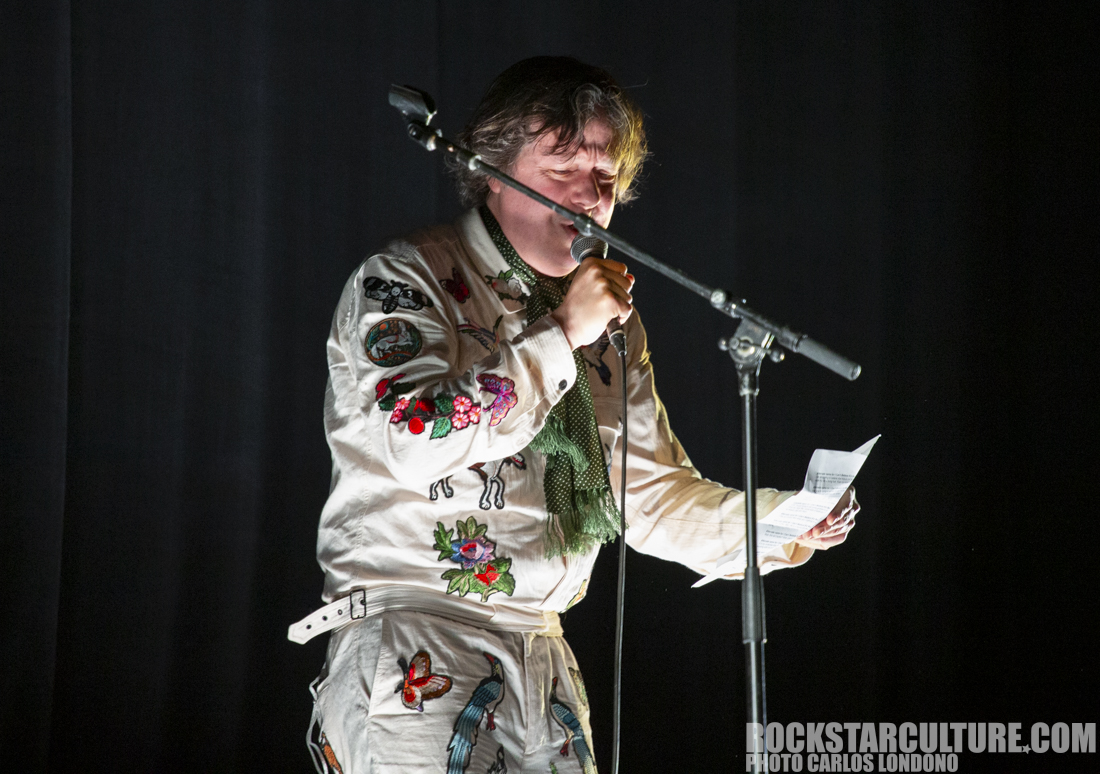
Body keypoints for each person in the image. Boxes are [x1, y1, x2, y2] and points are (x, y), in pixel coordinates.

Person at [290, 56, 858, 774]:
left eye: (608, 177)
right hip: (417, 631)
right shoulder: (408, 278)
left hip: (544, 652)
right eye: (563, 168)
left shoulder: (613, 326)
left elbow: (647, 497)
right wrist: (560, 335)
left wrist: (779, 524)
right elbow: (411, 438)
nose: (590, 196)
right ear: (492, 170)